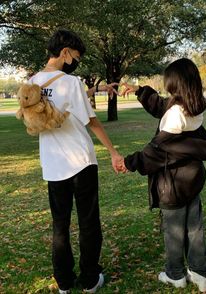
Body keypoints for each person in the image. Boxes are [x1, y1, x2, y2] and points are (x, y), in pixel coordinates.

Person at [28, 29, 122, 294]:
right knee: (88, 222)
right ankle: (90, 280)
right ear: (65, 52)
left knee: (60, 226)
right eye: (76, 56)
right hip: (81, 162)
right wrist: (113, 151)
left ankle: (64, 283)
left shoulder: (33, 83)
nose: (76, 61)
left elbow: (63, 99)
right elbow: (91, 120)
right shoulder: (70, 82)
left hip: (53, 165)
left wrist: (99, 88)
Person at [119, 58, 206, 292]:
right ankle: (200, 273)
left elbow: (154, 152)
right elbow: (163, 106)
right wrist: (140, 91)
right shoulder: (192, 106)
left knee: (173, 232)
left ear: (177, 85)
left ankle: (175, 275)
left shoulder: (174, 116)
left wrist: (128, 163)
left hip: (172, 184)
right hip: (192, 180)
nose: (167, 87)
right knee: (195, 228)